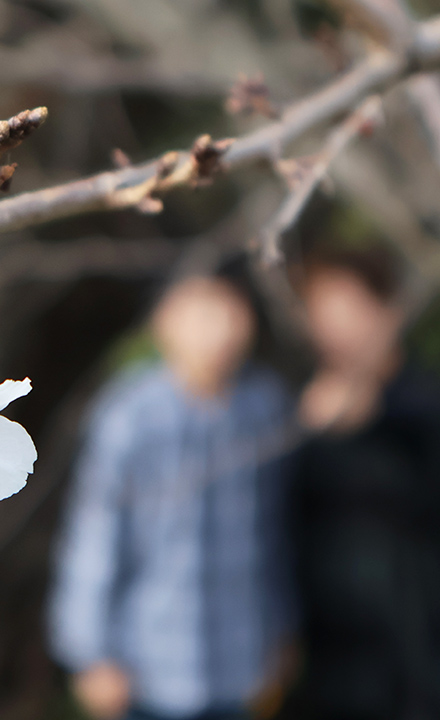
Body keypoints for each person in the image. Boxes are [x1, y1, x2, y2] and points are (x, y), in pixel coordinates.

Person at [47, 270, 293, 720]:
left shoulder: (264, 406)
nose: (219, 327)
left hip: (241, 654)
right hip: (148, 657)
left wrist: (281, 631)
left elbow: (274, 534)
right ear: (164, 322)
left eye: (230, 309)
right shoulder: (129, 413)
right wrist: (90, 653)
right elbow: (95, 537)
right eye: (201, 311)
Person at [287, 247, 440, 720]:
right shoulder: (297, 416)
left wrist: (378, 418)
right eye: (323, 312)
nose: (338, 328)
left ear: (388, 309)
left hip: (416, 660)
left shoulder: (422, 406)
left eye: (350, 307)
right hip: (330, 664)